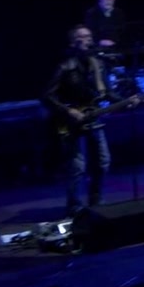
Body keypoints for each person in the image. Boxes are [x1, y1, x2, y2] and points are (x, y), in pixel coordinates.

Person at [41, 25, 119, 216]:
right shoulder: (66, 67)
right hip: (72, 122)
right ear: (73, 43)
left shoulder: (97, 65)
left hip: (94, 117)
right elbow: (47, 96)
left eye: (89, 36)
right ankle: (73, 205)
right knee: (77, 166)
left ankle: (96, 198)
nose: (87, 40)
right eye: (82, 37)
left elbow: (107, 92)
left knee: (103, 161)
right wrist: (68, 111)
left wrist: (127, 100)